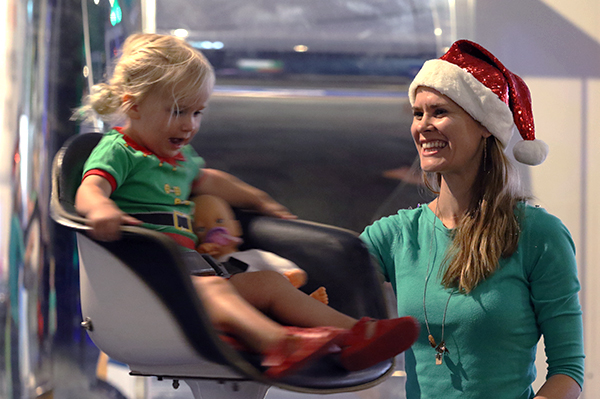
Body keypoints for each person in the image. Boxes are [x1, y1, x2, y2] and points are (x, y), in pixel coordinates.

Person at [74, 32, 419, 379]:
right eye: (178, 111)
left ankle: (356, 335)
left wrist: (260, 200)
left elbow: (210, 180)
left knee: (268, 283)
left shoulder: (178, 159)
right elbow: (90, 187)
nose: (189, 125)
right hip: (148, 284)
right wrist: (101, 208)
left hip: (195, 274)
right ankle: (278, 343)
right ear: (133, 105)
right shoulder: (119, 149)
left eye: (197, 113)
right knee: (213, 289)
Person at [360, 40, 584, 398]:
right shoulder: (396, 235)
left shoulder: (538, 235)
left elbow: (568, 370)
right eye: (418, 114)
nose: (423, 126)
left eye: (440, 112)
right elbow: (325, 280)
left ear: (484, 126)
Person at [192, 194, 329, 304]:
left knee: (283, 298)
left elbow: (274, 263)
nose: (213, 229)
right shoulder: (206, 265)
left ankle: (308, 304)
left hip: (267, 296)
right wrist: (201, 255)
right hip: (237, 300)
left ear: (236, 227)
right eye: (201, 229)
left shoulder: (253, 255)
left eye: (220, 221)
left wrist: (290, 273)